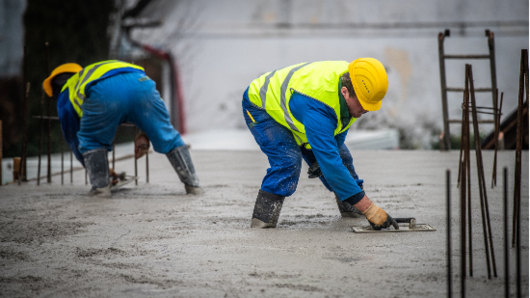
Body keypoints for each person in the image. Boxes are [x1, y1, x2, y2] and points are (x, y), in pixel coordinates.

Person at [242, 58, 399, 230]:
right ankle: (263, 222)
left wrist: (325, 156)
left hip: (300, 110)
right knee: (288, 161)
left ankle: (351, 209)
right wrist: (370, 209)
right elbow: (331, 163)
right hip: (262, 107)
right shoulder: (319, 107)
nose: (367, 109)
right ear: (345, 92)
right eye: (363, 104)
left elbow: (339, 127)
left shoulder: (355, 82)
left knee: (342, 157)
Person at [43, 60, 203, 197]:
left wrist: (95, 168)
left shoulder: (69, 89)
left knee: (92, 141)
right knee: (167, 135)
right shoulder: (97, 69)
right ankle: (194, 186)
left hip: (104, 92)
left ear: (56, 86)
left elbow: (73, 137)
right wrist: (145, 133)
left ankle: (101, 190)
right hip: (142, 83)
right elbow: (140, 104)